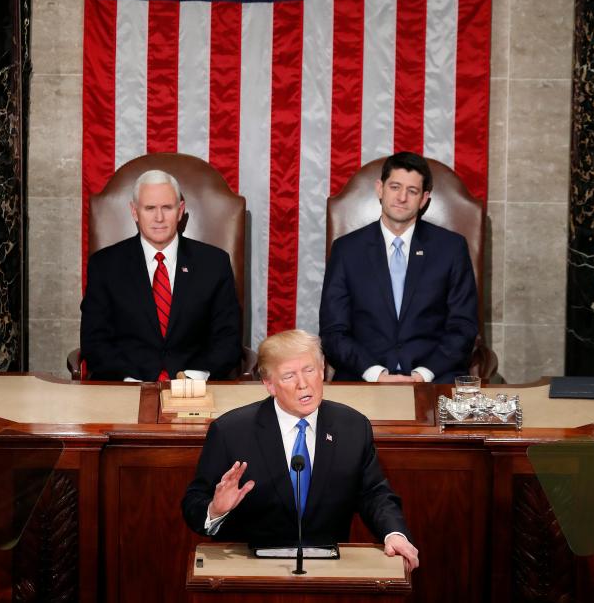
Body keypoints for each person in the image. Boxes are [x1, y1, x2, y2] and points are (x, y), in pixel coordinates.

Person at [181, 329, 419, 568]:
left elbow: (374, 495)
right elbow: (194, 504)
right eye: (288, 376)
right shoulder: (231, 432)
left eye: (309, 370)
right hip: (251, 572)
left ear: (323, 369)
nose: (303, 384)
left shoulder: (353, 427)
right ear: (269, 384)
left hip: (329, 573)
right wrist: (215, 509)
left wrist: (394, 534)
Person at [319, 152, 478, 384]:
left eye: (412, 191)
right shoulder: (347, 250)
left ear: (424, 199)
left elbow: (463, 326)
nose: (402, 197)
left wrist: (423, 374)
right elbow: (334, 332)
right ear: (380, 189)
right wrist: (376, 374)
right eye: (395, 187)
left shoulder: (451, 248)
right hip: (363, 378)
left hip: (434, 378)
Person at [80, 169, 242, 381]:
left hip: (195, 387)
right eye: (149, 208)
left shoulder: (214, 263)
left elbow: (227, 338)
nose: (159, 218)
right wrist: (128, 380)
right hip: (125, 387)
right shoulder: (105, 265)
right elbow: (94, 340)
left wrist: (195, 378)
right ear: (134, 212)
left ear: (180, 210)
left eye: (167, 207)